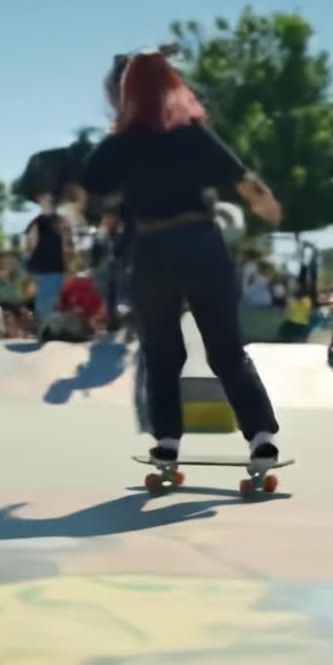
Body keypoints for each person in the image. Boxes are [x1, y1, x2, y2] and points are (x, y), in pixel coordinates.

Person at [81, 49, 283, 471]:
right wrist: (269, 207)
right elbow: (244, 180)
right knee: (226, 348)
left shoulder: (121, 141)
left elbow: (87, 188)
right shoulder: (192, 133)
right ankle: (261, 438)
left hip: (153, 250)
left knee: (161, 351)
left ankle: (168, 443)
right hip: (201, 244)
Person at [22, 193, 71, 331]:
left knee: (52, 299)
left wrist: (67, 266)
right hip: (42, 267)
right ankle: (43, 329)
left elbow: (66, 245)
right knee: (45, 299)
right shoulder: (37, 222)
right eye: (42, 198)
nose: (44, 201)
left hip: (56, 266)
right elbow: (29, 246)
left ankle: (46, 329)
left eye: (47, 198)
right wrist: (28, 266)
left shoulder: (61, 221)